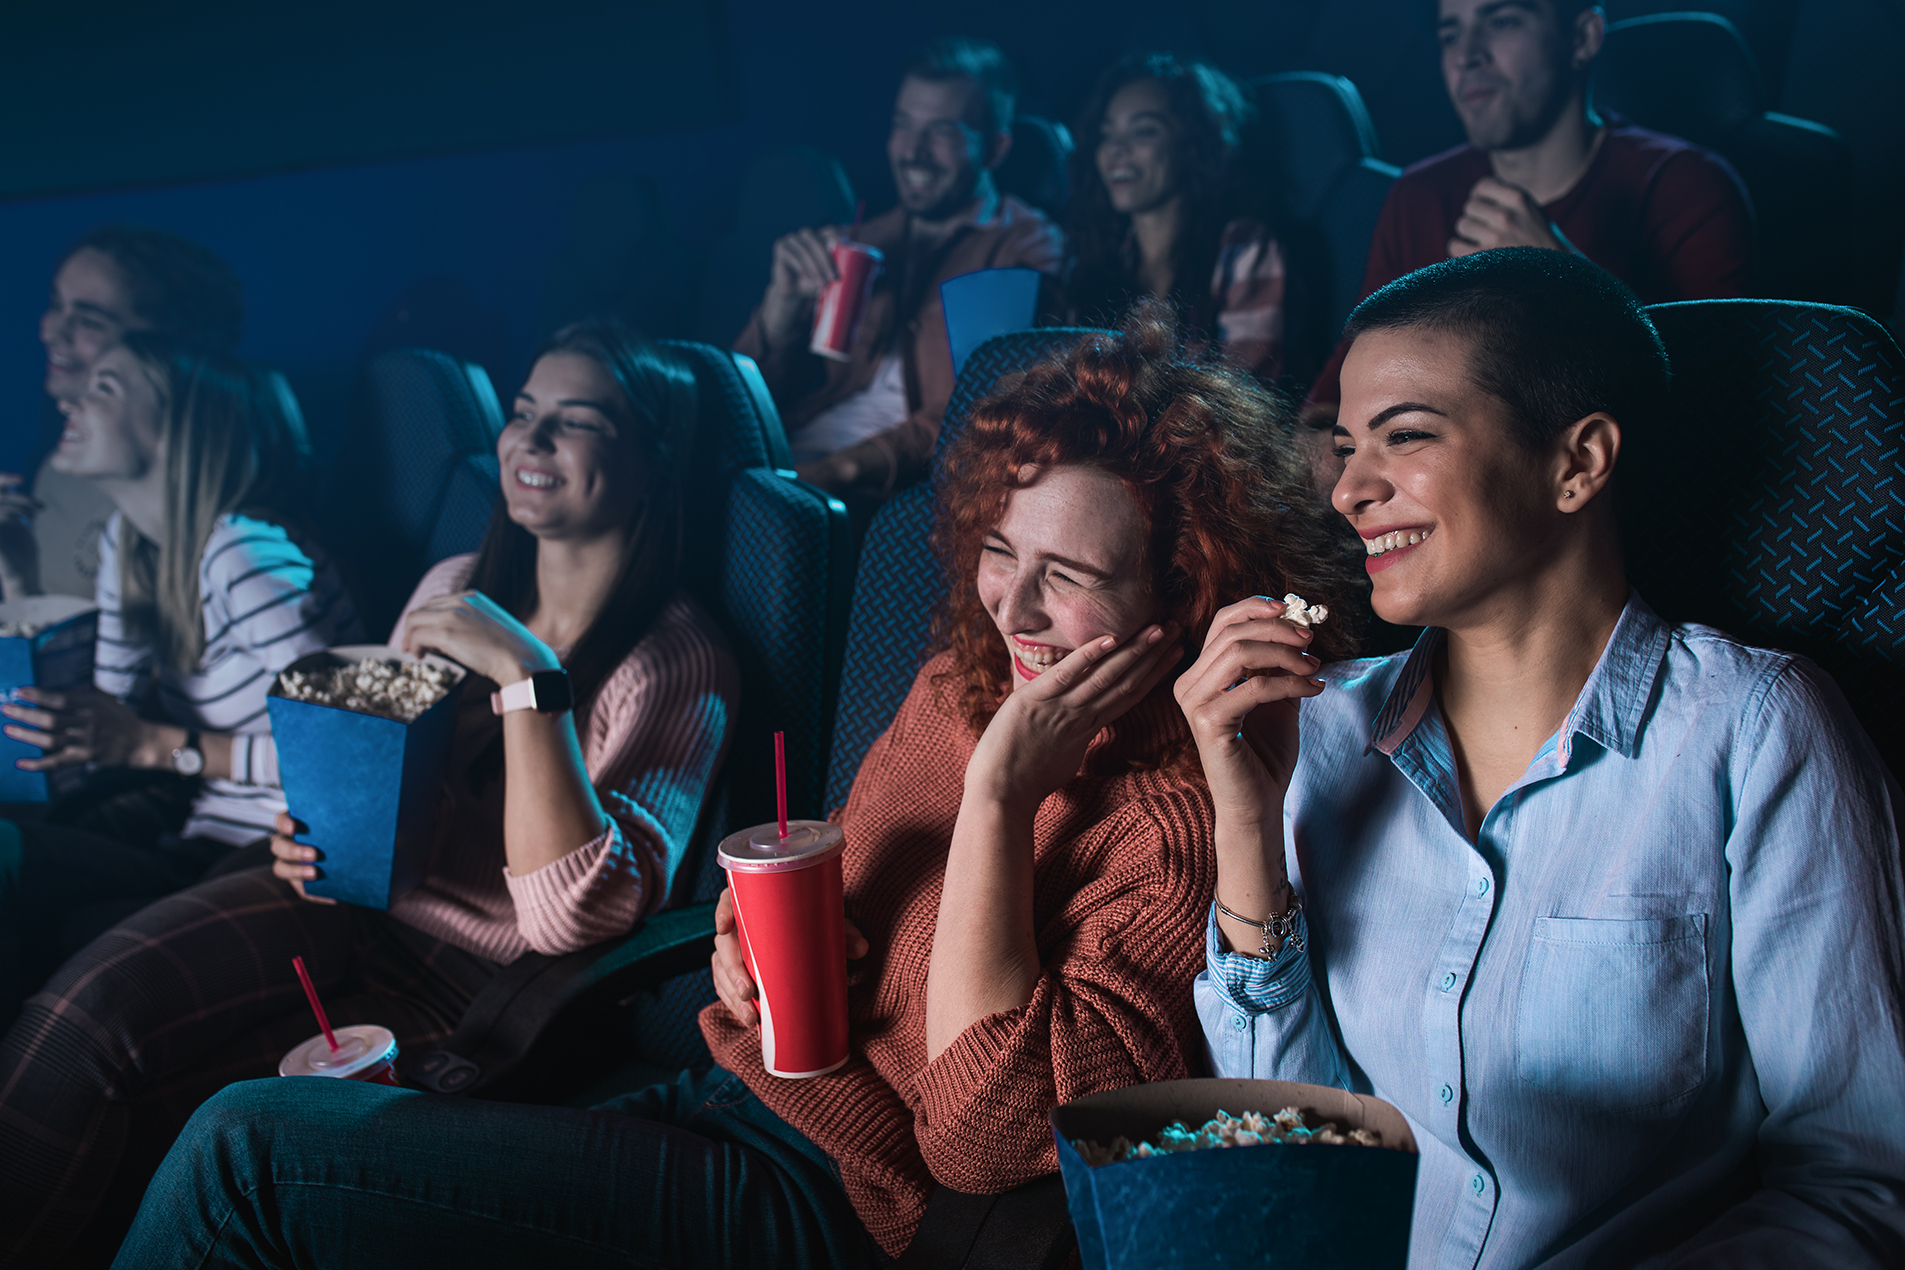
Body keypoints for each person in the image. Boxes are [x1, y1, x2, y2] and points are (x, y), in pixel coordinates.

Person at [110, 306, 1362, 1270]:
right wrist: (740, 952)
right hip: (739, 1089)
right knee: (262, 1144)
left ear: (1182, 589)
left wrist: (996, 803)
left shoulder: (1178, 813)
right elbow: (857, 913)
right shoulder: (957, 680)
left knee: (244, 1156)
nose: (1015, 608)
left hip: (836, 1202)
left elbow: (977, 1145)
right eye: (997, 552)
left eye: (1070, 575)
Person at [1179, 249, 1905, 1267]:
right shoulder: (1317, 725)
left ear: (1579, 461)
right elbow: (1281, 1152)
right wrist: (1247, 829)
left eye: (1406, 436)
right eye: (1344, 448)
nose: (1349, 489)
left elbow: (1857, 1182)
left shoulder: (1758, 731)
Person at [0, 323, 740, 1267]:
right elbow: (368, 777)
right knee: (76, 1024)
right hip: (336, 900)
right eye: (522, 415)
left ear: (649, 467)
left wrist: (528, 679)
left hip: (472, 979)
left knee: (165, 1132)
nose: (530, 442)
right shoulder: (451, 586)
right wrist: (307, 829)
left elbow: (570, 917)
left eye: (575, 422)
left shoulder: (677, 658)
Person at [0, 334, 356, 1025]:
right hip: (197, 836)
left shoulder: (243, 554)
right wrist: (12, 577)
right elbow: (107, 715)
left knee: (72, 949)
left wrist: (150, 746)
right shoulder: (127, 541)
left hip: (279, 855)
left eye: (104, 387)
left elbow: (342, 751)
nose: (69, 397)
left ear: (179, 426)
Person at [1298, 0, 1754, 470]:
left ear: (1581, 38)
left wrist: (1562, 289)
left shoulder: (1685, 185)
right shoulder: (1418, 195)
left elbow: (1713, 422)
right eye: (1451, 33)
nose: (1467, 54)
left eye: (1502, 21)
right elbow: (1326, 412)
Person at [734, 36, 1065, 505]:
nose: (912, 152)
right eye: (902, 125)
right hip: (795, 449)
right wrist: (779, 309)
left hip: (903, 488)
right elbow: (746, 404)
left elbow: (982, 410)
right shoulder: (863, 240)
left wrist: (837, 469)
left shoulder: (1025, 246)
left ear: (994, 149)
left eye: (943, 132)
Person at [0, 225, 245, 603]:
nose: (51, 332)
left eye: (90, 321)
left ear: (165, 351)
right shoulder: (57, 469)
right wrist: (19, 585)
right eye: (55, 305)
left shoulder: (225, 518)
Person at [1066, 53, 1327, 390]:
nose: (1116, 149)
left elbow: (1246, 400)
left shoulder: (1243, 247)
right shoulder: (1101, 257)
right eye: (1106, 134)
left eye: (1143, 131)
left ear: (1193, 144)